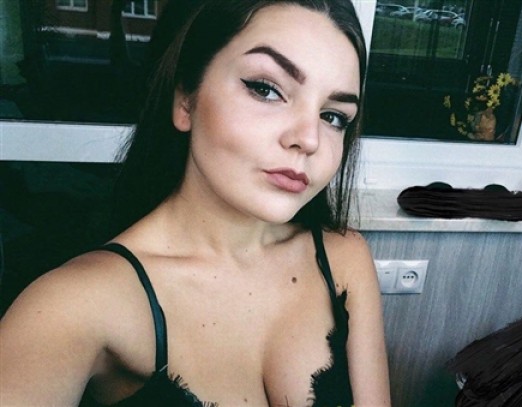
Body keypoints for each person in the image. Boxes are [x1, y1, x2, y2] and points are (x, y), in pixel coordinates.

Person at [0, 0, 391, 405]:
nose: (309, 139)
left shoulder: (344, 260)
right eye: (266, 89)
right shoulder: (74, 305)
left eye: (333, 117)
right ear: (185, 99)